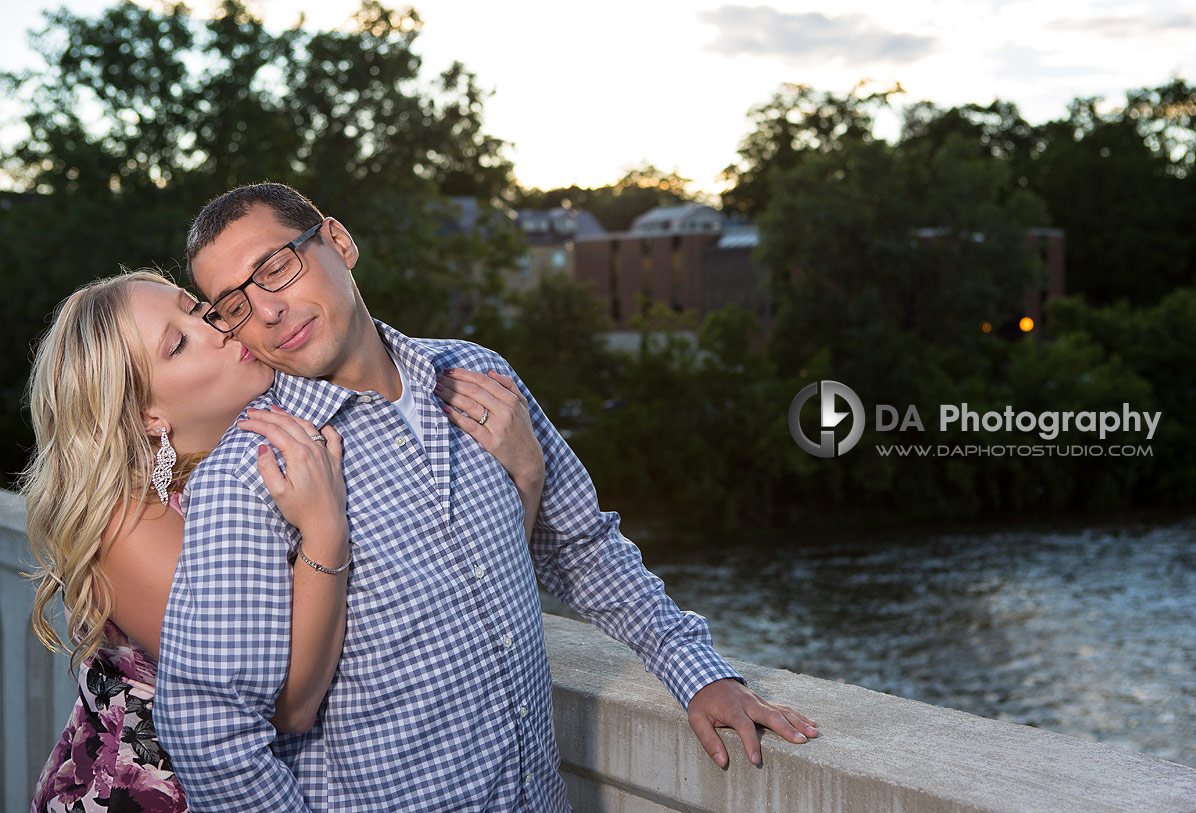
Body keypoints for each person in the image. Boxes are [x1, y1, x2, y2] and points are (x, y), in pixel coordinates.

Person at [155, 182, 819, 811]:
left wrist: (696, 670)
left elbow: (581, 543)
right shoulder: (249, 474)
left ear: (338, 241)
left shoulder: (480, 375)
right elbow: (207, 731)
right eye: (234, 305)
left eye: (275, 268)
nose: (266, 310)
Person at [21, 270, 544, 812]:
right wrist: (324, 532)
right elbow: (289, 704)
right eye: (178, 344)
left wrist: (526, 476)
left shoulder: (281, 444)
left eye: (198, 309)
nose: (219, 326)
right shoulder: (128, 526)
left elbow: (465, 582)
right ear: (147, 416)